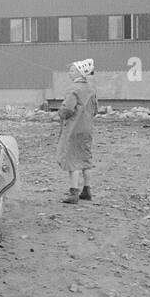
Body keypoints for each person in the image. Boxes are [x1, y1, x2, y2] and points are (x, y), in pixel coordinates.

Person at [57, 59, 97, 203]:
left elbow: (67, 109)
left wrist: (60, 114)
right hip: (87, 129)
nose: (69, 73)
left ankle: (73, 193)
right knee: (85, 159)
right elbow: (95, 110)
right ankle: (87, 190)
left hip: (73, 129)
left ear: (80, 73)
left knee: (72, 159)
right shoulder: (91, 89)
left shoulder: (73, 89)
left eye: (72, 70)